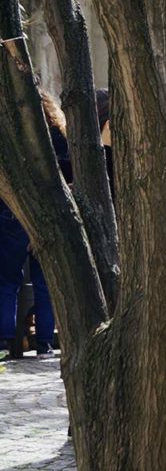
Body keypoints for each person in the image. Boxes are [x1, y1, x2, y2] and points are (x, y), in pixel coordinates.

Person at [0, 91, 70, 359]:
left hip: (10, 214)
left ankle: (5, 342)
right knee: (46, 282)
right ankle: (44, 343)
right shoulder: (55, 135)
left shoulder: (11, 135)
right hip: (48, 212)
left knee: (7, 281)